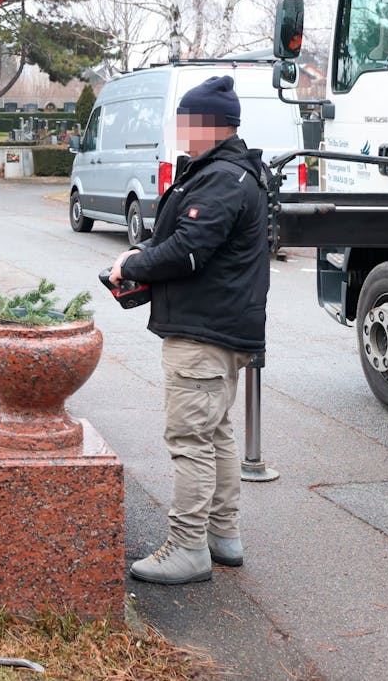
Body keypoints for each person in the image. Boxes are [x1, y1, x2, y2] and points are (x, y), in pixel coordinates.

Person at [111, 75, 271, 585]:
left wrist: (134, 264)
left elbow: (189, 248)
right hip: (220, 327)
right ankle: (223, 536)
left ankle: (188, 548)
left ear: (209, 124)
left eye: (185, 120)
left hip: (204, 333)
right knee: (216, 432)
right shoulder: (226, 171)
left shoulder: (223, 178)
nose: (179, 128)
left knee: (189, 439)